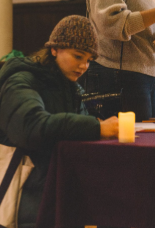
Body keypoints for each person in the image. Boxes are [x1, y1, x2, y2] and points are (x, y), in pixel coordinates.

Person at [0, 15, 118, 228]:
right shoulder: (21, 79)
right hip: (26, 189)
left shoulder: (70, 87)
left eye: (89, 60)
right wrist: (96, 127)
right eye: (78, 56)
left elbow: (77, 128)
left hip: (53, 187)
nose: (83, 66)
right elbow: (31, 127)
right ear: (55, 49)